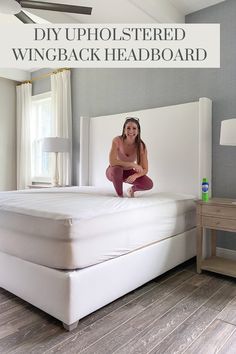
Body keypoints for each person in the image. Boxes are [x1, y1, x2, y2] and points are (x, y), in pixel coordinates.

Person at [106, 117, 153, 197]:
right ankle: (120, 195)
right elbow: (112, 162)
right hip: (113, 172)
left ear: (138, 131)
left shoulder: (141, 146)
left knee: (148, 184)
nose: (131, 131)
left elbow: (145, 169)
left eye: (134, 128)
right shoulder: (117, 140)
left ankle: (131, 190)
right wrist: (132, 164)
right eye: (128, 128)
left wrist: (135, 176)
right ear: (124, 130)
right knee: (117, 169)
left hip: (128, 173)